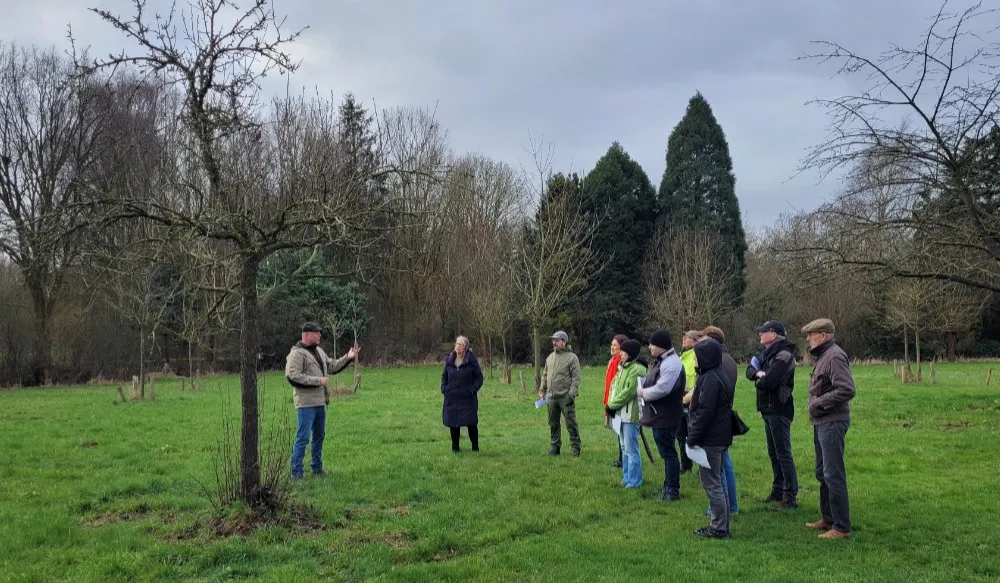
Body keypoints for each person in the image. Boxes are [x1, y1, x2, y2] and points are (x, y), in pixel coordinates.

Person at [801, 318, 856, 539]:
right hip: (822, 421)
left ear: (823, 335)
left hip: (832, 421)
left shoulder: (834, 356)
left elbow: (847, 389)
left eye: (811, 335)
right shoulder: (824, 356)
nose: (808, 339)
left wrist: (818, 403)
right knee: (822, 472)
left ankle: (842, 527)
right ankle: (828, 519)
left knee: (833, 474)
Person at [284, 321, 359, 480]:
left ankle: (316, 467)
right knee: (303, 437)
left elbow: (332, 366)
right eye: (316, 333)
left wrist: (349, 357)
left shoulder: (319, 351)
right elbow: (292, 376)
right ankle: (296, 473)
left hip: (320, 402)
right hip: (305, 404)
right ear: (307, 334)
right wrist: (318, 381)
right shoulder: (296, 354)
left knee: (319, 435)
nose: (319, 335)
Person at [746, 320, 799, 511]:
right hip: (768, 408)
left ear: (774, 335)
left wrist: (759, 377)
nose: (760, 334)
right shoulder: (767, 355)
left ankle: (790, 496)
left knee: (783, 453)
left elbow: (768, 381)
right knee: (773, 452)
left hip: (779, 408)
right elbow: (749, 371)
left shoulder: (784, 355)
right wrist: (760, 375)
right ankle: (778, 491)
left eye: (764, 331)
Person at [686, 338, 734, 539]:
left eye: (696, 356)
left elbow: (705, 411)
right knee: (719, 481)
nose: (694, 360)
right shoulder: (717, 375)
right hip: (721, 436)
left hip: (711, 439)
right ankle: (721, 524)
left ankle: (719, 528)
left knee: (712, 482)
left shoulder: (710, 379)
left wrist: (692, 437)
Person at [637, 329, 685, 501]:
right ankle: (668, 485)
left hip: (666, 415)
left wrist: (642, 392)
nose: (650, 347)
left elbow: (663, 388)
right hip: (661, 414)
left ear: (662, 346)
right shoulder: (663, 361)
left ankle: (672, 490)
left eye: (653, 344)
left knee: (669, 453)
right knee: (667, 452)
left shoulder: (670, 364)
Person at [697, 326, 739, 515]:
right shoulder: (726, 360)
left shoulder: (720, 363)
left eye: (703, 340)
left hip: (716, 425)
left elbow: (711, 399)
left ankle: (722, 510)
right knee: (722, 466)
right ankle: (727, 508)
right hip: (722, 423)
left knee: (718, 470)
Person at [605, 339, 647, 489]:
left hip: (630, 415)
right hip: (620, 414)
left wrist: (612, 405)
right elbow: (614, 388)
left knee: (631, 449)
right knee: (624, 448)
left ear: (630, 354)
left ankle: (635, 481)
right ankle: (627, 478)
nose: (620, 354)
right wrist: (610, 405)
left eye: (623, 352)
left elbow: (628, 393)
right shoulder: (622, 368)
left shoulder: (636, 370)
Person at [538, 331, 582, 457]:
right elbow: (545, 375)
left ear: (564, 341)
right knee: (553, 423)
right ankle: (555, 447)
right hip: (551, 397)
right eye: (553, 340)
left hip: (565, 397)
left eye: (557, 340)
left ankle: (575, 448)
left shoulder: (572, 358)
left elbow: (576, 378)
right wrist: (542, 390)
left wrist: (571, 395)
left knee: (570, 423)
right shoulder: (550, 358)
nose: (554, 343)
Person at [441, 336, 484, 453]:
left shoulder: (471, 359)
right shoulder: (450, 359)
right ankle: (455, 448)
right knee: (453, 423)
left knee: (471, 423)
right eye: (456, 343)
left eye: (460, 344)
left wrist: (473, 390)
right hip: (452, 397)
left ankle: (475, 447)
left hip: (467, 398)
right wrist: (444, 389)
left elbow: (479, 377)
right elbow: (444, 376)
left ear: (465, 347)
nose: (457, 346)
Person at [677, 330, 700, 473]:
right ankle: (685, 465)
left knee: (694, 434)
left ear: (696, 341)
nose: (684, 340)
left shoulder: (697, 356)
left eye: (688, 338)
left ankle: (700, 467)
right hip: (681, 398)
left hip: (692, 398)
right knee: (680, 434)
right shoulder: (682, 356)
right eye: (684, 337)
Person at [605, 334, 629, 468]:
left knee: (621, 431)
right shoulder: (612, 360)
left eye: (615, 345)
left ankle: (623, 459)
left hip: (618, 402)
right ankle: (621, 458)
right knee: (618, 431)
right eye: (612, 344)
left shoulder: (621, 362)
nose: (612, 347)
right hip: (611, 400)